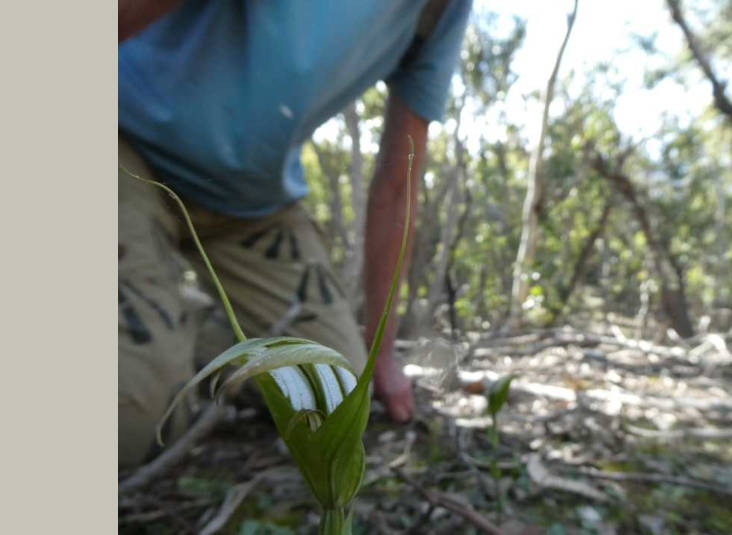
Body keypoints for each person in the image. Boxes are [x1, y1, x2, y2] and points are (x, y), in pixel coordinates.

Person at [118, 0, 472, 468]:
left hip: (250, 202)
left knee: (338, 398)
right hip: (127, 143)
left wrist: (381, 353)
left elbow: (397, 183)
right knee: (130, 420)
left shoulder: (442, 10)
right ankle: (150, 343)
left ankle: (173, 327)